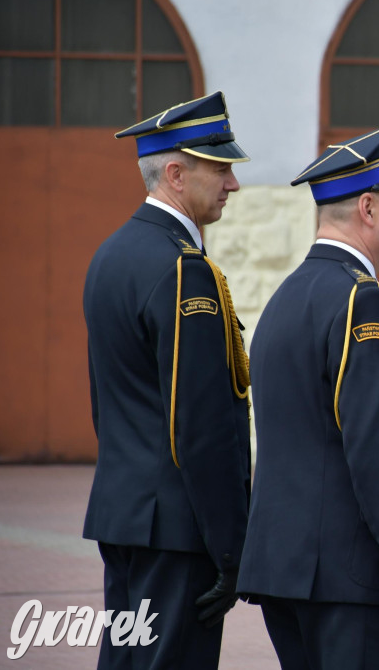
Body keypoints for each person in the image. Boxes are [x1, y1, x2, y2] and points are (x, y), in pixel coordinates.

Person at [237, 122, 379, 670]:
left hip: (285, 568)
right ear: (369, 209)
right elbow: (378, 450)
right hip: (347, 579)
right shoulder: (364, 301)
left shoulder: (286, 295)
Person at [82, 91, 252, 669]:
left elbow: (108, 405)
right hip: (179, 531)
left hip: (127, 513)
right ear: (176, 174)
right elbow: (201, 424)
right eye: (221, 168)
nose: (232, 184)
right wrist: (230, 547)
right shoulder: (184, 268)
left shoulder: (111, 255)